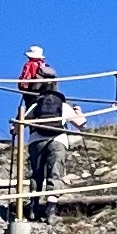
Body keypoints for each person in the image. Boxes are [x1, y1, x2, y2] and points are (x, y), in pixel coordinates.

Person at [25, 70, 84, 222]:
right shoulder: (63, 105)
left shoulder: (36, 105)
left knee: (36, 175)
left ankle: (33, 209)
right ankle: (50, 212)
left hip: (36, 141)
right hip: (57, 140)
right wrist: (79, 112)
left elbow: (17, 126)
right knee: (55, 174)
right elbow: (81, 124)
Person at [17, 45, 50, 118]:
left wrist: (22, 88)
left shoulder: (29, 65)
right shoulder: (44, 65)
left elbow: (24, 81)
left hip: (32, 93)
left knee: (27, 110)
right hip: (45, 93)